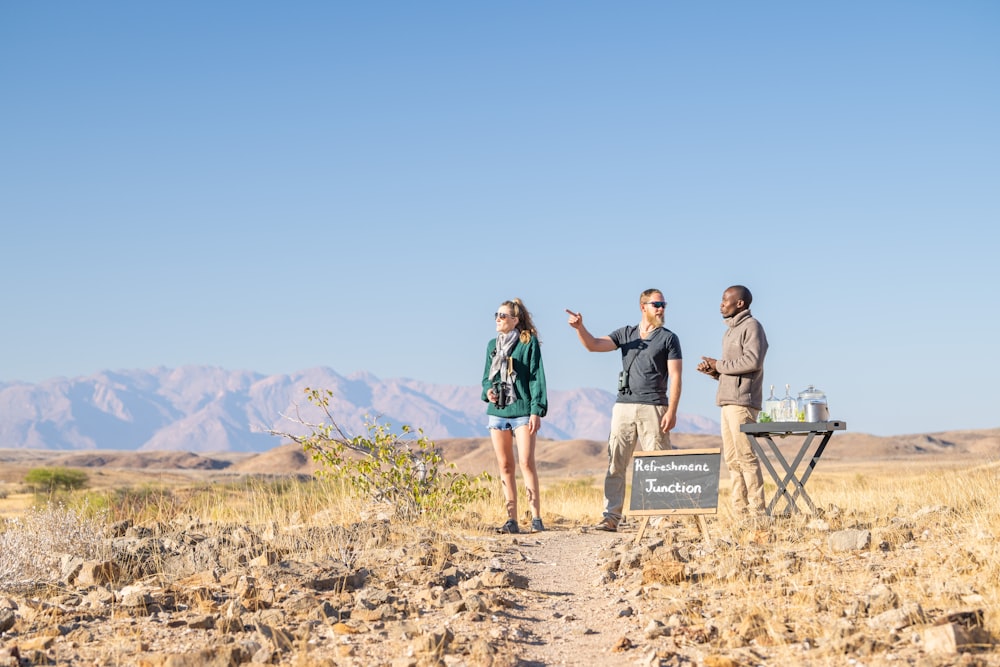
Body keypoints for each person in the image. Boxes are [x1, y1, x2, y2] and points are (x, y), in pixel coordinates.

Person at [566, 289, 682, 532]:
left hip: (655, 406)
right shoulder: (625, 334)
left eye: (663, 305)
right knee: (616, 462)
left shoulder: (669, 339)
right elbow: (594, 345)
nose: (661, 309)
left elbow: (676, 376)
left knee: (658, 464)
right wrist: (580, 329)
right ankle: (611, 516)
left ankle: (659, 518)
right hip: (624, 407)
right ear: (643, 306)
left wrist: (672, 410)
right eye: (656, 304)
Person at [696, 285, 769, 517]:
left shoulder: (752, 326)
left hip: (742, 402)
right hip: (727, 401)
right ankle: (740, 511)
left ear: (740, 304)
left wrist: (719, 365)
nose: (721, 304)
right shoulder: (730, 331)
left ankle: (757, 511)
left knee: (746, 457)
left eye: (725, 300)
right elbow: (733, 369)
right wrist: (714, 372)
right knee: (732, 459)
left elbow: (752, 361)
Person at [482, 298, 548, 534]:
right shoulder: (492, 345)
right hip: (498, 412)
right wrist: (487, 392)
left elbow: (535, 376)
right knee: (505, 465)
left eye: (503, 316)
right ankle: (512, 519)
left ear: (515, 320)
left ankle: (536, 517)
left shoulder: (527, 342)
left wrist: (536, 410)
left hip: (522, 411)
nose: (498, 319)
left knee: (526, 462)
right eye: (496, 315)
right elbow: (485, 379)